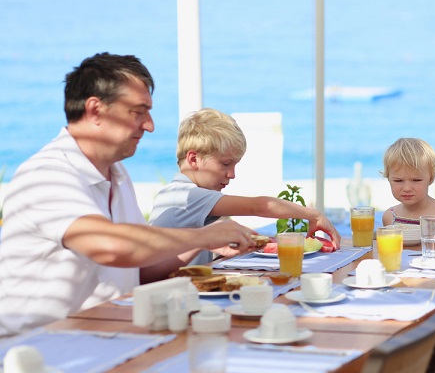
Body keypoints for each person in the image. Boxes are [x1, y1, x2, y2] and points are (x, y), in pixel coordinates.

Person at [0, 53, 257, 337]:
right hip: (35, 349)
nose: (149, 125)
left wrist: (206, 239)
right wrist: (205, 236)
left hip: (104, 333)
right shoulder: (47, 174)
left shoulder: (117, 174)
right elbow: (111, 248)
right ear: (95, 110)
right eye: (138, 111)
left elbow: (139, 270)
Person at [148, 108, 341, 265]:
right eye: (225, 164)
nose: (232, 174)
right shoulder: (187, 195)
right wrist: (314, 215)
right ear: (193, 159)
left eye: (234, 165)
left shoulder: (176, 193)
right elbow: (260, 206)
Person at [381, 138, 435, 227]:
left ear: (431, 178)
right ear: (388, 178)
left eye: (416, 180)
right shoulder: (389, 217)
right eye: (398, 180)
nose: (407, 188)